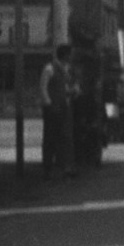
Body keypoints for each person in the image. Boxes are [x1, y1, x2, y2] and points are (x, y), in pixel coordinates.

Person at [39, 44, 76, 178]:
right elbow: (43, 88)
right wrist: (48, 103)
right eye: (70, 54)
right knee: (50, 138)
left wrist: (71, 91)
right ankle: (48, 169)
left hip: (63, 107)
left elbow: (62, 88)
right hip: (53, 108)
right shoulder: (49, 69)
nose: (71, 57)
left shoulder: (64, 69)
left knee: (64, 137)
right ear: (65, 55)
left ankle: (63, 167)